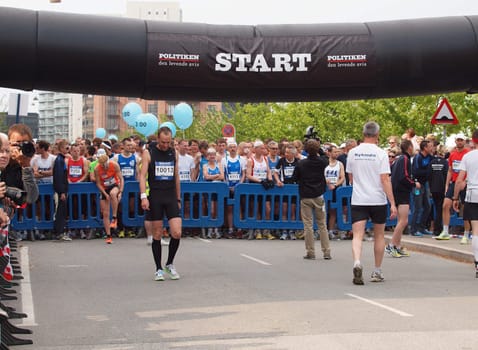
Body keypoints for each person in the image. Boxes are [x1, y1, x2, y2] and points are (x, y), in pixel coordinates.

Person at [346, 121, 397, 285]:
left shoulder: (352, 152)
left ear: (363, 134)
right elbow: (385, 179)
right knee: (379, 235)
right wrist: (392, 203)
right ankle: (377, 270)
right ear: (377, 135)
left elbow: (351, 177)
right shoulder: (381, 153)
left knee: (358, 235)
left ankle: (357, 263)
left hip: (359, 199)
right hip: (377, 199)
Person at [139, 127, 182, 281]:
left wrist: (178, 198)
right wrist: (144, 196)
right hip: (155, 196)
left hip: (170, 195)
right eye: (163, 142)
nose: (165, 145)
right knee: (157, 234)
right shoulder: (148, 152)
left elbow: (176, 176)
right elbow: (142, 176)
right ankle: (158, 268)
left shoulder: (174, 153)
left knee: (177, 232)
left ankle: (169, 264)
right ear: (158, 139)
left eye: (168, 142)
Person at [292, 139, 330, 260]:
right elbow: (325, 156)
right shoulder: (322, 162)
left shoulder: (301, 163)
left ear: (306, 150)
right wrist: (318, 147)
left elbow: (294, 177)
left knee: (308, 225)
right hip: (319, 194)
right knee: (322, 224)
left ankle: (310, 251)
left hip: (306, 195)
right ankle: (326, 251)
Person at [453, 129, 478, 278]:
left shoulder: (468, 156)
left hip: (473, 194)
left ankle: (477, 263)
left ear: (473, 141)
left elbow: (460, 180)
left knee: (475, 230)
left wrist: (455, 198)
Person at [436, 133, 470, 240]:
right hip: (454, 182)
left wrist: (465, 180)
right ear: (455, 141)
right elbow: (450, 170)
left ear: (464, 141)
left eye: (461, 140)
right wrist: (447, 184)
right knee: (445, 205)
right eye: (458, 140)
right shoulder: (452, 154)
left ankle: (466, 233)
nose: (460, 142)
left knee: (465, 209)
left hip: (465, 183)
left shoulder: (468, 154)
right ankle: (445, 230)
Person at [387, 139, 415, 257]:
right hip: (402, 192)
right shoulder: (404, 159)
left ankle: (397, 246)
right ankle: (391, 245)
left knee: (401, 220)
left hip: (397, 191)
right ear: (409, 147)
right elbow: (404, 176)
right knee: (403, 220)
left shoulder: (398, 159)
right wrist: (414, 183)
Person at [94, 150, 124, 244]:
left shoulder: (114, 164)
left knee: (113, 194)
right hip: (104, 188)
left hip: (114, 184)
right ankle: (108, 235)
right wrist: (104, 193)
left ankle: (114, 217)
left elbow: (121, 179)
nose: (104, 167)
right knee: (105, 214)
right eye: (102, 166)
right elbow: (98, 183)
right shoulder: (97, 169)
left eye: (105, 165)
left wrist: (121, 191)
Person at [274, 144, 299, 240]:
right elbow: (275, 172)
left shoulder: (297, 162)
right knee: (284, 209)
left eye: (288, 152)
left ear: (293, 154)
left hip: (293, 188)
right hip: (284, 188)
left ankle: (292, 231)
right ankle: (284, 231)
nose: (286, 154)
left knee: (292, 209)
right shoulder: (281, 161)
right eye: (285, 152)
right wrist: (278, 181)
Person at [410, 140, 434, 236]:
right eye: (430, 146)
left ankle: (422, 227)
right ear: (425, 148)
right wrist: (416, 181)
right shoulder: (418, 158)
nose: (432, 148)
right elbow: (415, 171)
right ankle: (414, 229)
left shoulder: (430, 157)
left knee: (428, 206)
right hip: (418, 185)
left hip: (426, 184)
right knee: (418, 207)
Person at [324, 145, 345, 240]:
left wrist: (335, 185)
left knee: (333, 211)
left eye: (337, 152)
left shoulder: (340, 164)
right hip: (325, 188)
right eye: (334, 152)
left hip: (335, 189)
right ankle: (321, 231)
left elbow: (342, 177)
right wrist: (326, 182)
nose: (336, 154)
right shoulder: (324, 162)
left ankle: (331, 230)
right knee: (323, 210)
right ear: (329, 152)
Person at [52, 140, 71, 241]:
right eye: (67, 148)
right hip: (60, 191)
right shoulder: (59, 160)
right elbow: (59, 177)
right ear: (61, 149)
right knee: (60, 212)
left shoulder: (61, 159)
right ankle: (59, 233)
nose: (68, 150)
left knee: (62, 211)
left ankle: (59, 232)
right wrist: (62, 192)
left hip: (62, 190)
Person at [429, 143, 448, 236]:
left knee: (436, 208)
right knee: (440, 209)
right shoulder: (445, 163)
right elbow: (446, 176)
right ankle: (438, 228)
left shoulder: (432, 162)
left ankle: (436, 227)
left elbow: (429, 175)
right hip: (441, 188)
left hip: (433, 188)